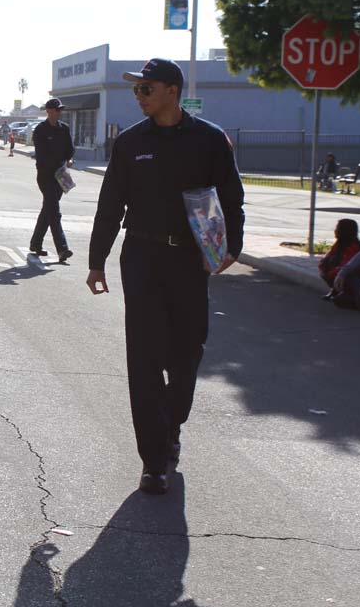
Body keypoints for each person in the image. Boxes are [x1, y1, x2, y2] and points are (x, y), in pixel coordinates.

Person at [86, 58, 244, 496]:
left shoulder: (210, 140)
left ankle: (172, 424)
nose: (139, 96)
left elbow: (232, 195)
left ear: (171, 91)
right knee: (144, 358)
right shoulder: (130, 143)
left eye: (146, 88)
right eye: (137, 90)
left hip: (191, 261)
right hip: (141, 256)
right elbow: (110, 203)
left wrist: (234, 245)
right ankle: (154, 460)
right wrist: (97, 259)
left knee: (187, 353)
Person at [29, 98, 76, 262]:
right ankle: (62, 249)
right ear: (49, 111)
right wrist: (56, 163)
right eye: (57, 109)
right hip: (46, 175)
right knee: (54, 211)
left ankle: (35, 244)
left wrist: (69, 159)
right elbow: (41, 154)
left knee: (48, 210)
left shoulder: (64, 129)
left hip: (60, 175)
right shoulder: (41, 130)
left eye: (60, 109)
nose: (59, 112)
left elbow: (70, 148)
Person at [318, 218, 360, 301]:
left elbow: (348, 265)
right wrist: (323, 267)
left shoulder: (355, 246)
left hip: (353, 275)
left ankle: (344, 291)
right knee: (329, 262)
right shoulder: (339, 244)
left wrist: (331, 274)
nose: (335, 231)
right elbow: (328, 257)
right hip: (338, 272)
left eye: (337, 228)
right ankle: (335, 289)